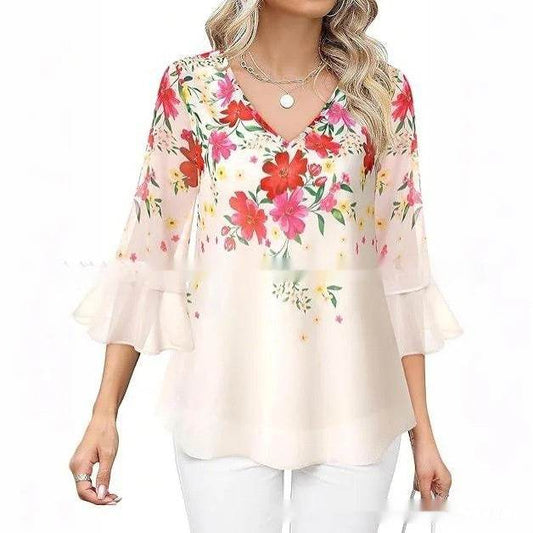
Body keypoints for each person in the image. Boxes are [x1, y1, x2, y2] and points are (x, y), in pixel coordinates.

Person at [69, 0, 463, 531]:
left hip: (356, 398)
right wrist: (104, 414)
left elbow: (399, 270)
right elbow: (149, 249)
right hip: (223, 393)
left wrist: (424, 435)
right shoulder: (192, 88)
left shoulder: (381, 93)